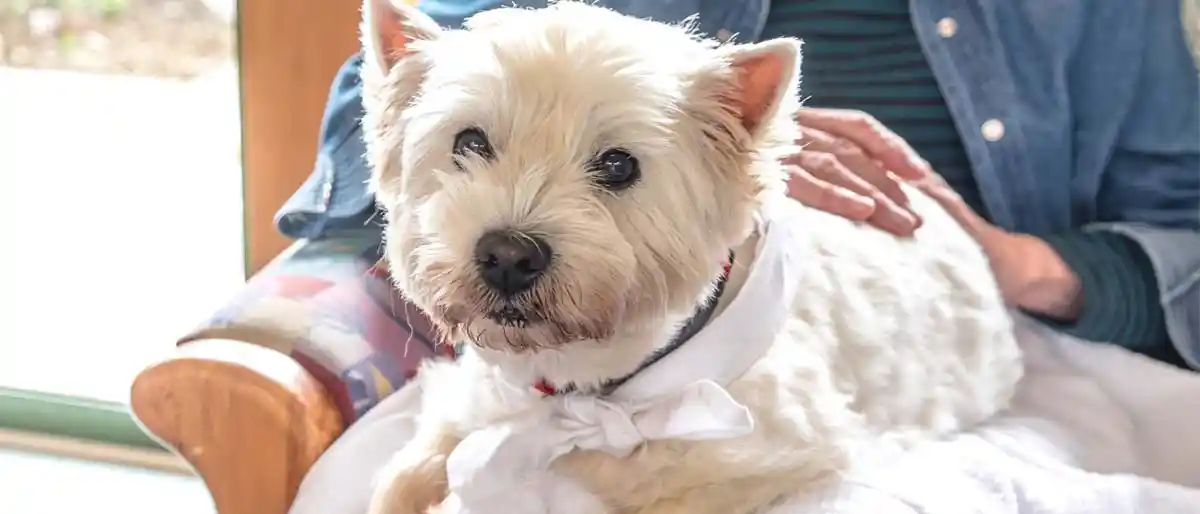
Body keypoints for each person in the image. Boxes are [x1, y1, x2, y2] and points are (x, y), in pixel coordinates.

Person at [277, 0, 1199, 369]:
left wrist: (1022, 266)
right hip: (649, 336)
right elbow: (395, 76)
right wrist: (696, 170)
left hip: (971, 346)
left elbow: (1184, 225)